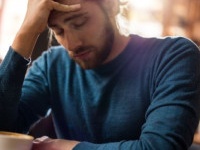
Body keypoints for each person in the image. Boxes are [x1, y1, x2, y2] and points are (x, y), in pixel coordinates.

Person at [0, 0, 200, 149]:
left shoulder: (174, 56)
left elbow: (160, 147)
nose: (72, 44)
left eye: (79, 23)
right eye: (58, 31)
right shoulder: (52, 65)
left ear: (111, 5)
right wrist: (26, 31)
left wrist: (66, 147)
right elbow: (3, 129)